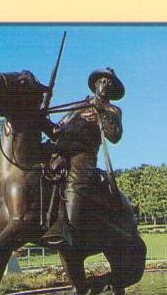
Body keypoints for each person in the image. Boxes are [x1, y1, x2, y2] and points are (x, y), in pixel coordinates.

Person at [40, 67, 124, 246]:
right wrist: (40, 119)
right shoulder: (79, 105)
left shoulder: (113, 110)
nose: (105, 85)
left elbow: (114, 136)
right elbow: (56, 131)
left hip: (83, 155)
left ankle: (67, 227)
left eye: (109, 83)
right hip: (60, 150)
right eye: (102, 81)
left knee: (75, 184)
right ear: (95, 84)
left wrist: (101, 111)